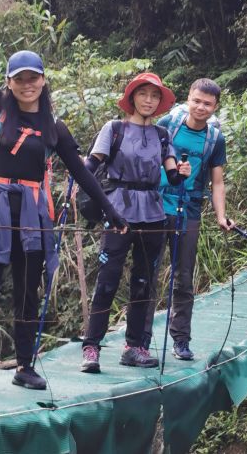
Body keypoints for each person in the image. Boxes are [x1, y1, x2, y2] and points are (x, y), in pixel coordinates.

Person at [0, 0, 126, 396]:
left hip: (32, 214)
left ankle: (25, 366)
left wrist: (110, 211)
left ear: (43, 81)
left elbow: (81, 173)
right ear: (10, 82)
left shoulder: (54, 128)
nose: (27, 84)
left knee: (27, 292)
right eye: (19, 79)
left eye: (33, 78)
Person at [80, 72, 188, 373]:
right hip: (118, 211)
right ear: (132, 98)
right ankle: (91, 347)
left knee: (143, 282)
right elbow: (91, 165)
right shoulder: (114, 129)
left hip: (153, 213)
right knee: (107, 280)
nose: (149, 101)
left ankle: (134, 347)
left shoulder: (162, 135)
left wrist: (182, 171)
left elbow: (172, 175)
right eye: (143, 94)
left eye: (154, 96)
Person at [141, 78, 230, 362]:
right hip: (156, 207)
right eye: (197, 101)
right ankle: (140, 341)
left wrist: (221, 215)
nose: (201, 107)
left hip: (188, 210)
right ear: (188, 99)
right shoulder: (168, 124)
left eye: (208, 104)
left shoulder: (215, 139)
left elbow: (217, 182)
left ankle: (181, 340)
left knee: (183, 278)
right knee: (148, 274)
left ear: (215, 107)